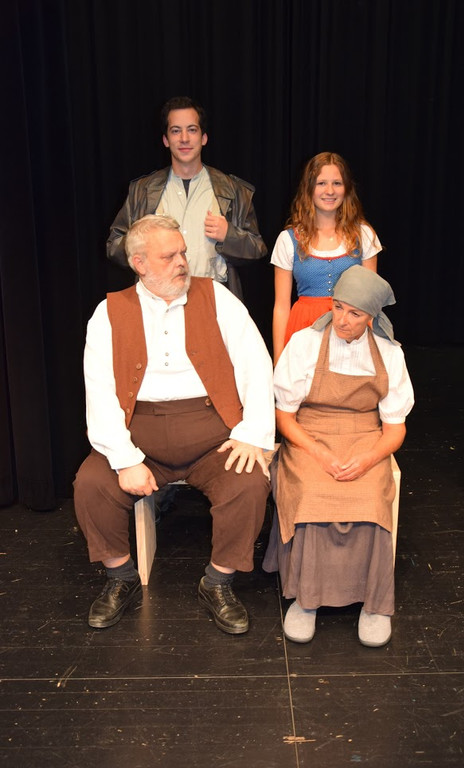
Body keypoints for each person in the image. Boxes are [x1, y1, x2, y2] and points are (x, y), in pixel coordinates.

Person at [74, 215, 275, 635]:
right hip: (139, 437)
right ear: (139, 263)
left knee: (249, 483)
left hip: (213, 434)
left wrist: (250, 433)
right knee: (91, 484)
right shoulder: (108, 313)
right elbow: (100, 391)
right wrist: (125, 459)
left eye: (183, 252)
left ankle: (217, 582)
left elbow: (256, 365)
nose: (182, 262)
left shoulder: (218, 298)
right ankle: (120, 577)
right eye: (169, 256)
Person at [263, 266, 414, 646]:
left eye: (355, 313)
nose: (343, 320)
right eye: (338, 307)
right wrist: (317, 452)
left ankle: (374, 604)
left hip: (365, 436)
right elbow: (285, 417)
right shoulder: (305, 343)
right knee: (312, 494)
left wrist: (368, 459)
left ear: (371, 317)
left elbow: (395, 429)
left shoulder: (389, 353)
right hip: (309, 435)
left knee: (370, 499)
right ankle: (306, 599)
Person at [107, 96, 266, 300]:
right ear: (166, 140)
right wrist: (143, 244)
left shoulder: (233, 190)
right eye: (175, 131)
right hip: (158, 300)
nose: (184, 138)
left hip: (212, 298)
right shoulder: (142, 191)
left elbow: (257, 248)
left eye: (192, 130)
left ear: (204, 137)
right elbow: (114, 245)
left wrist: (229, 235)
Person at [272, 152, 382, 363]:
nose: (330, 191)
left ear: (346, 188)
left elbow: (371, 301)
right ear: (309, 188)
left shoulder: (364, 235)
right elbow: (281, 307)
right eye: (321, 183)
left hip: (351, 332)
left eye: (337, 183)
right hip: (304, 331)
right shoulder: (288, 240)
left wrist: (373, 345)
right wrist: (278, 359)